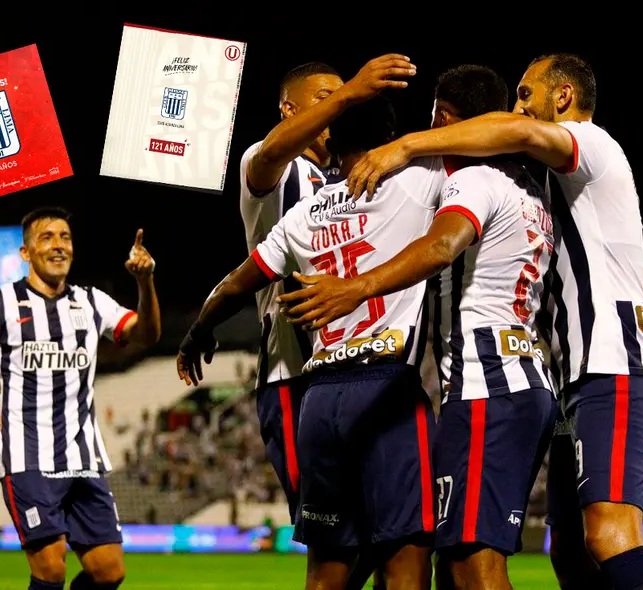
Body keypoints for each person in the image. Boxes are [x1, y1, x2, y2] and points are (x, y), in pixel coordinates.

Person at [337, 53, 643, 590]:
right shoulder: (536, 188)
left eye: (524, 92)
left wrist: (404, 144)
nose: (517, 107)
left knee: (609, 534)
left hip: (612, 360)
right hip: (567, 376)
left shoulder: (593, 143)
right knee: (566, 549)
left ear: (561, 97)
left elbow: (512, 130)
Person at [277, 65, 557, 589]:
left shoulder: (471, 179)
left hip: (486, 384)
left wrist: (357, 287)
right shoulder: (532, 186)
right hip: (518, 375)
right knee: (450, 562)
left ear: (445, 119)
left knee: (473, 565)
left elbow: (439, 247)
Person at [178, 94, 448, 590]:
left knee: (326, 573)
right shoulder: (418, 178)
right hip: (386, 389)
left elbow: (239, 282)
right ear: (390, 141)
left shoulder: (303, 215)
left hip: (319, 401)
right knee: (406, 562)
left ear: (333, 143)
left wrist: (199, 329)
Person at [238, 54, 415, 590]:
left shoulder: (355, 175)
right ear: (289, 109)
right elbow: (267, 155)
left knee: (390, 537)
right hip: (295, 379)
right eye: (326, 96)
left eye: (347, 94)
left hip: (363, 377)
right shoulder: (273, 165)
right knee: (337, 545)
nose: (346, 100)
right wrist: (352, 90)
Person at [0, 207, 161, 590]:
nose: (58, 245)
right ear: (25, 252)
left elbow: (146, 334)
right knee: (51, 569)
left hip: (83, 459)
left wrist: (145, 283)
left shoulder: (90, 302)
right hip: (27, 457)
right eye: (46, 237)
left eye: (65, 237)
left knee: (110, 571)